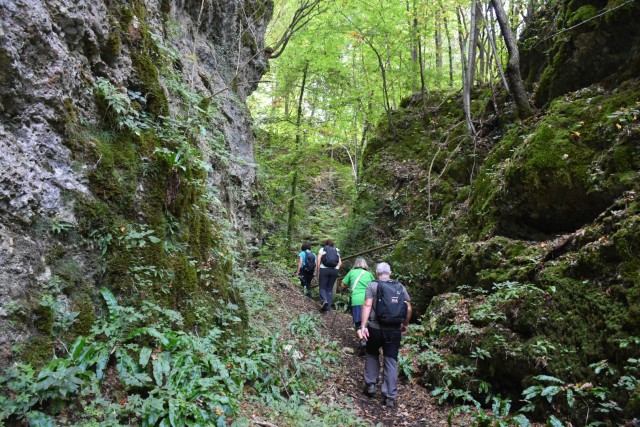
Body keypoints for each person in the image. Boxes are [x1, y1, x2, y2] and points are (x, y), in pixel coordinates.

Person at [359, 262, 412, 408]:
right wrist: (405, 325)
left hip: (375, 327)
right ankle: (389, 396)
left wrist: (363, 326)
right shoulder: (400, 286)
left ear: (377, 273)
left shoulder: (372, 285)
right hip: (394, 329)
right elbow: (408, 308)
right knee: (391, 359)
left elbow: (367, 305)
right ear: (390, 272)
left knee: (371, 354)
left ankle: (370, 385)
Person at [341, 258, 375, 354]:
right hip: (368, 300)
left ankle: (362, 340)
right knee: (367, 321)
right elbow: (374, 285)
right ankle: (366, 340)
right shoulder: (369, 274)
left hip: (356, 300)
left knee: (358, 322)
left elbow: (343, 285)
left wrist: (350, 285)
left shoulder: (351, 272)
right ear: (365, 265)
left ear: (355, 264)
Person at [316, 239, 342, 312]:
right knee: (329, 288)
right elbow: (340, 263)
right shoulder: (336, 250)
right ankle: (328, 307)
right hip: (334, 270)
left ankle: (324, 301)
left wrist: (318, 269)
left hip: (324, 269)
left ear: (326, 244)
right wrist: (336, 270)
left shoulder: (323, 249)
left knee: (322, 287)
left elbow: (318, 259)